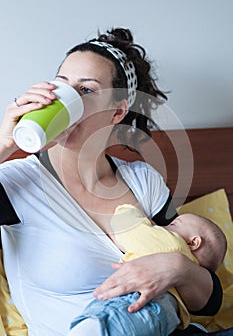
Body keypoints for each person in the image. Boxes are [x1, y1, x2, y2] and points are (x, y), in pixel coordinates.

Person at [0, 27, 224, 336]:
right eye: (61, 85)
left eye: (87, 90)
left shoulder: (142, 181)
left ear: (116, 112)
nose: (66, 99)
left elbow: (207, 301)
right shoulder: (16, 184)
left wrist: (177, 268)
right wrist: (3, 144)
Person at [69, 204, 227, 335]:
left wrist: (126, 209)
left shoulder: (171, 243)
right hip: (167, 319)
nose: (161, 226)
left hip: (135, 305)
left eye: (173, 224)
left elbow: (127, 227)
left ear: (193, 243)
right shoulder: (191, 285)